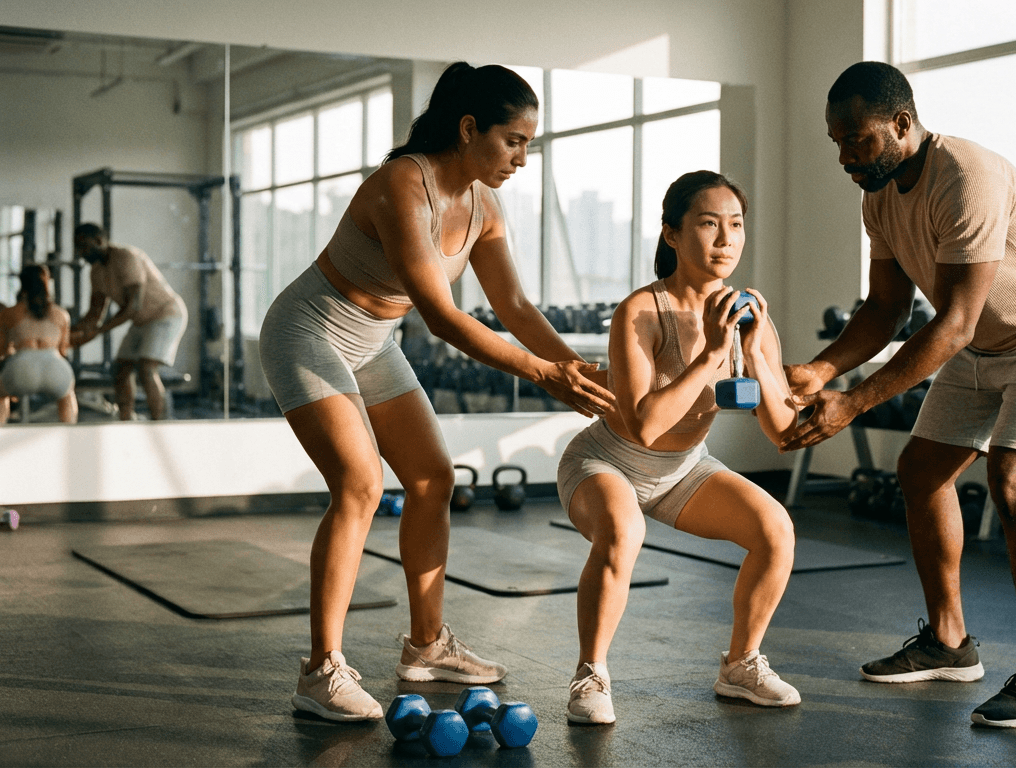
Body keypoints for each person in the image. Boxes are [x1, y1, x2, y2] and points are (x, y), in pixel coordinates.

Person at [257, 61, 614, 722]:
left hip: (373, 343)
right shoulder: (403, 184)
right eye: (513, 141)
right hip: (309, 331)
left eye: (529, 144)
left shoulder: (484, 206)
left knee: (432, 478)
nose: (522, 158)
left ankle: (426, 646)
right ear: (469, 128)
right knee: (360, 484)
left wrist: (578, 371)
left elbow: (514, 307)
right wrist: (544, 375)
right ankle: (320, 671)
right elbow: (443, 318)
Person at [782, 62, 1016, 729]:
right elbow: (885, 310)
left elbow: (955, 320)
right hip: (981, 340)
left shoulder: (968, 176)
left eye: (858, 139)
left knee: (1014, 482)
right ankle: (948, 642)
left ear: (902, 123)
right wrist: (821, 371)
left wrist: (853, 402)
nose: (846, 157)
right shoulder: (878, 197)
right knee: (920, 471)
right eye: (837, 142)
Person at [558, 171, 800, 725]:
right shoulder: (640, 312)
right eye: (709, 224)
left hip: (684, 469)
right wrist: (711, 352)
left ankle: (741, 665)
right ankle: (590, 673)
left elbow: (782, 430)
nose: (726, 240)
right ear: (671, 233)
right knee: (623, 531)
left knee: (775, 530)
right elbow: (644, 425)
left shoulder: (747, 314)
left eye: (736, 225)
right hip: (606, 461)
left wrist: (754, 353)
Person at [71, 223, 188, 420]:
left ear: (99, 241)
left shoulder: (127, 257)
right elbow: (94, 314)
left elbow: (132, 307)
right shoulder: (96, 272)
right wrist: (69, 334)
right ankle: (126, 419)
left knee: (146, 368)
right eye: (78, 248)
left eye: (84, 247)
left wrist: (98, 331)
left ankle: (160, 422)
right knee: (121, 369)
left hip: (166, 314)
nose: (80, 253)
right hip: (141, 321)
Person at [0, 265, 77, 425]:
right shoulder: (62, 314)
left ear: (22, 283)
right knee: (67, 395)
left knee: (1, 393)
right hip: (55, 367)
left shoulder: (9, 313)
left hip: (21, 367)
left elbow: (2, 350)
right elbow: (63, 351)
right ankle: (70, 430)